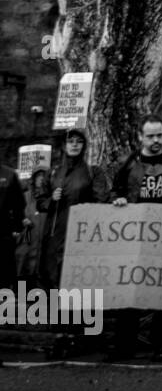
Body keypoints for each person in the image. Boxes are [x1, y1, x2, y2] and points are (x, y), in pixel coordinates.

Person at [108, 115, 162, 362]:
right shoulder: (128, 162)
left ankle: (161, 346)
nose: (156, 140)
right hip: (134, 237)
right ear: (140, 137)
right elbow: (115, 190)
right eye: (151, 136)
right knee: (129, 292)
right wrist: (118, 199)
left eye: (160, 135)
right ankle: (124, 347)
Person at [40, 130, 111, 359]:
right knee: (56, 285)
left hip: (82, 237)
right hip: (56, 237)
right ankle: (62, 337)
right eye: (70, 141)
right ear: (63, 145)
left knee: (83, 284)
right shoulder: (52, 173)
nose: (74, 145)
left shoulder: (92, 172)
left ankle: (85, 337)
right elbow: (40, 201)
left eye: (79, 142)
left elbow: (102, 200)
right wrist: (52, 199)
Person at [0, 160, 24, 294]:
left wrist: (17, 227)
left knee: (4, 270)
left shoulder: (9, 174)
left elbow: (18, 203)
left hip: (4, 232)